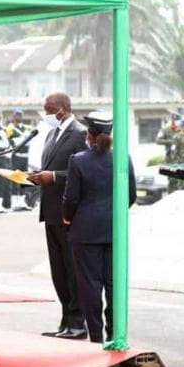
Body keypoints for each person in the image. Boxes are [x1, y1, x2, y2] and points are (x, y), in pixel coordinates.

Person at [62, 112, 136, 343]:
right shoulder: (123, 158)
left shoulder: (78, 160)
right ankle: (114, 333)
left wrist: (67, 220)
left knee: (90, 285)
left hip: (85, 232)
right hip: (115, 231)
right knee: (114, 284)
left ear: (89, 135)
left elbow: (71, 198)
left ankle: (96, 337)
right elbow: (131, 195)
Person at [29, 92, 88, 340]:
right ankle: (66, 321)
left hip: (70, 214)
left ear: (62, 109)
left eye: (48, 109)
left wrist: (53, 177)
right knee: (59, 271)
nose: (46, 114)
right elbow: (52, 168)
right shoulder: (52, 133)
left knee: (72, 270)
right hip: (51, 212)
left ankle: (78, 323)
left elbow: (85, 170)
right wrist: (36, 178)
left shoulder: (81, 133)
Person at [7, 109, 33, 211]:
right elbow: (9, 141)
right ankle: (14, 203)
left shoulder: (26, 128)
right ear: (13, 117)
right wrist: (17, 141)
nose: (18, 117)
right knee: (15, 179)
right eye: (17, 115)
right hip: (16, 156)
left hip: (25, 156)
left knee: (24, 179)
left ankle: (22, 202)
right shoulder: (10, 129)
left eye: (20, 115)